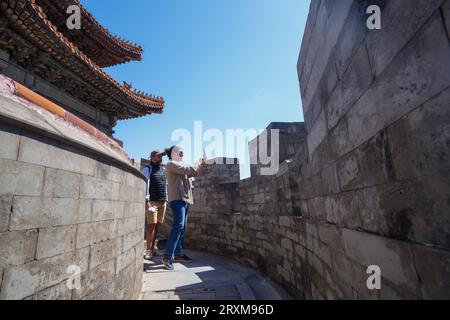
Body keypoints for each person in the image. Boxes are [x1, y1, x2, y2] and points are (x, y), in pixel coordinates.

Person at [161, 145, 207, 270]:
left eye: (182, 152)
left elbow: (193, 171)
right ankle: (167, 256)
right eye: (180, 152)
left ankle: (178, 254)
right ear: (174, 153)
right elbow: (189, 169)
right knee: (178, 227)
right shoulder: (170, 164)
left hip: (185, 199)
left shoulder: (179, 166)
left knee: (182, 228)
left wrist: (201, 164)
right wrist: (199, 162)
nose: (182, 154)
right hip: (177, 199)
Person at [142, 150, 168, 260]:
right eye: (158, 156)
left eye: (161, 156)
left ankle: (154, 248)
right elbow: (144, 185)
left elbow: (165, 185)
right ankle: (148, 251)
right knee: (151, 226)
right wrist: (146, 202)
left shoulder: (163, 169)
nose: (160, 158)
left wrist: (166, 198)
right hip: (152, 202)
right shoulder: (147, 169)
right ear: (152, 157)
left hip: (162, 202)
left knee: (157, 226)